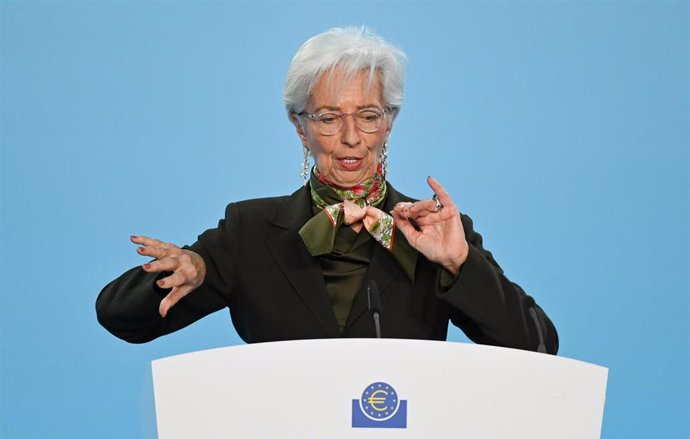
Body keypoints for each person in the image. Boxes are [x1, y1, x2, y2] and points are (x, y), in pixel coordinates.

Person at [96, 26, 558, 354]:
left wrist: (460, 264)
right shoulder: (249, 230)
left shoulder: (434, 231)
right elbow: (121, 320)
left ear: (390, 123)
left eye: (369, 115)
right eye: (329, 117)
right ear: (301, 128)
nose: (352, 137)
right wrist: (186, 268)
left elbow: (538, 348)